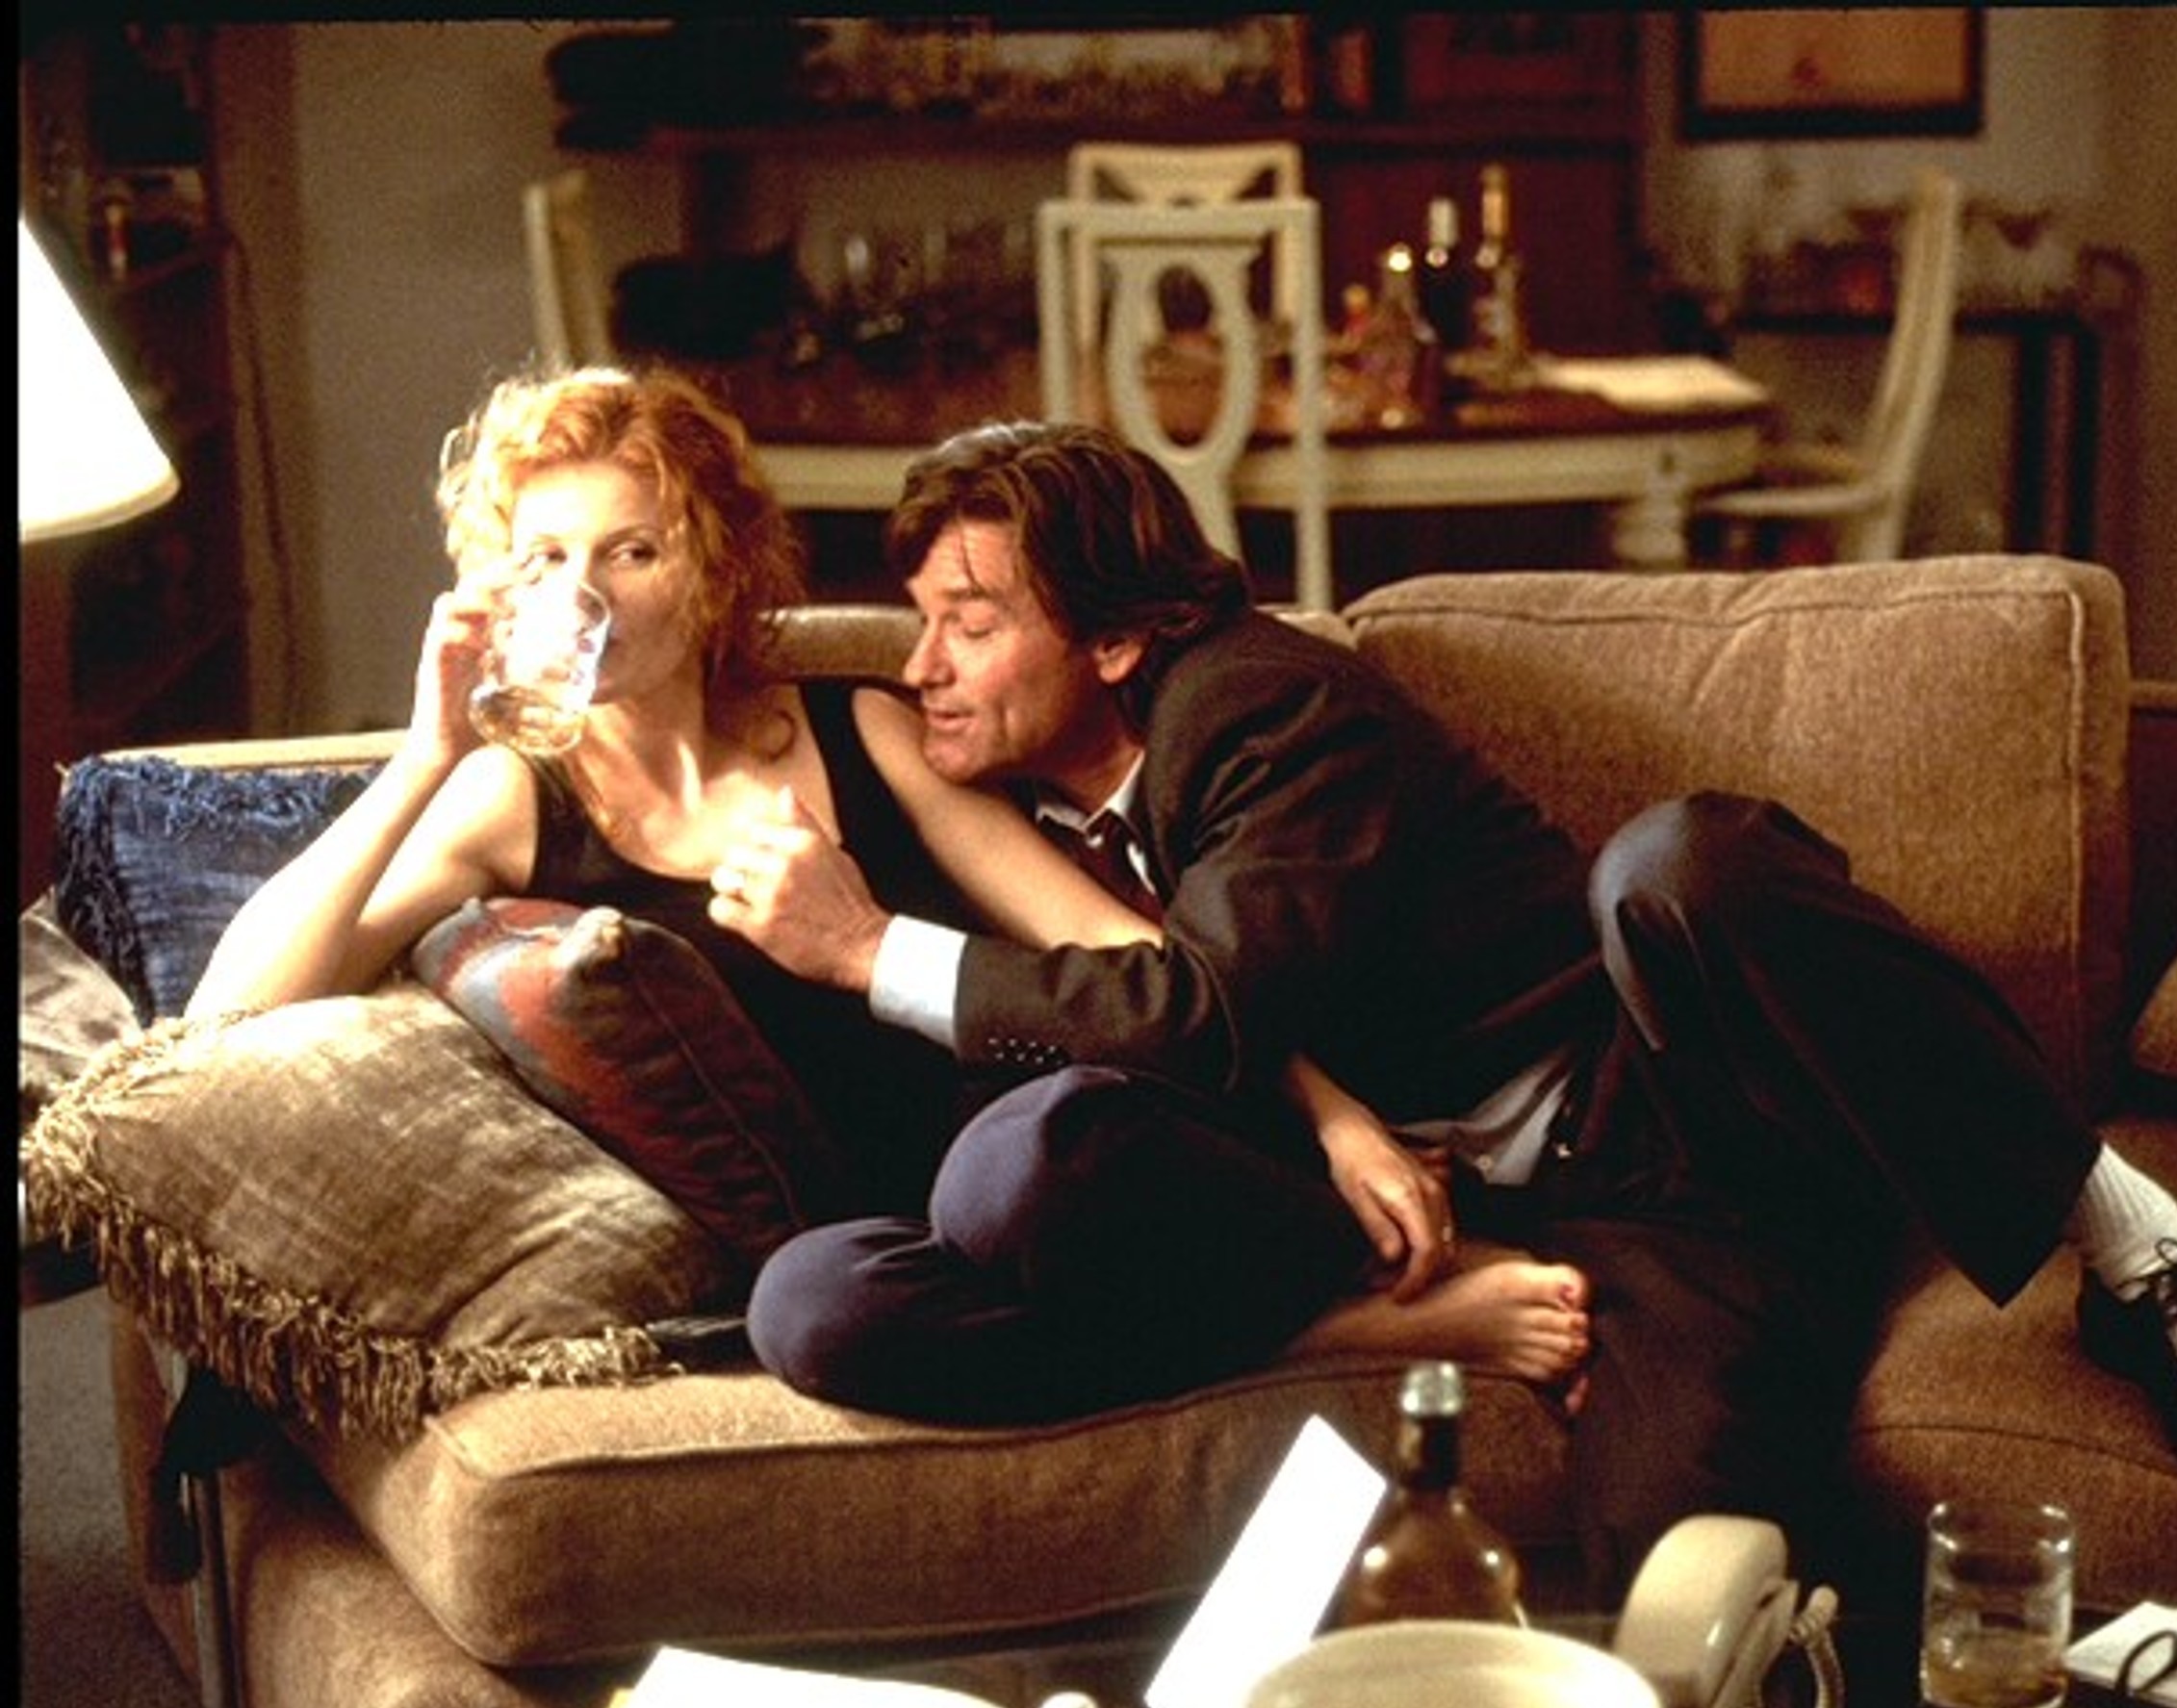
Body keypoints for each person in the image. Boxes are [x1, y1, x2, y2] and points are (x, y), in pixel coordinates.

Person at [725, 420, 2177, 1597]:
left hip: (1664, 1148)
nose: (924, 664)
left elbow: (1207, 1010)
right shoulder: (1002, 801)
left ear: (1119, 635)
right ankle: (1384, 1326)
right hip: (1415, 1226)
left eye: (972, 623)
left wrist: (870, 952)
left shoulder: (1258, 702)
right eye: (920, 621)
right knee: (837, 1294)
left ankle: (2143, 1252)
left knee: (1685, 872)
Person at [187, 367, 1586, 1391]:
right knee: (808, 1313)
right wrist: (427, 749)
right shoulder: (512, 799)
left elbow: (1132, 954)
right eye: (546, 557)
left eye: (632, 550)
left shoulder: (860, 724)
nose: (586, 593)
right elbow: (228, 1013)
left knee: (1031, 1157)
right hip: (889, 1230)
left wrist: (1338, 1122)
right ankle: (1326, 1337)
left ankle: (1334, 1313)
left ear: (711, 568)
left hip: (1070, 1154)